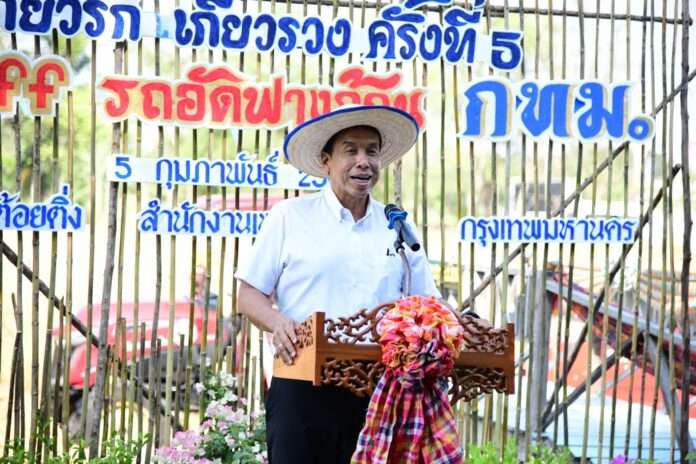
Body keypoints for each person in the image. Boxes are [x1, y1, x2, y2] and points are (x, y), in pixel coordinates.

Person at [235, 105, 441, 464]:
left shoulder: (396, 227)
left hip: (380, 391)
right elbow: (248, 294)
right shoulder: (290, 216)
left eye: (372, 151)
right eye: (351, 150)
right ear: (326, 160)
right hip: (302, 384)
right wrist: (278, 322)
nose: (364, 162)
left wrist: (463, 326)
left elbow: (429, 303)